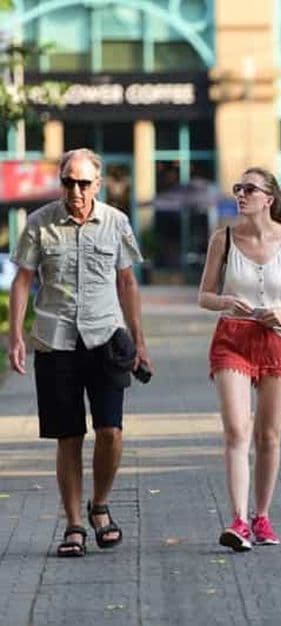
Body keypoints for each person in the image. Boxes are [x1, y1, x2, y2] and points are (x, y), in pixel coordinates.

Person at [8, 148, 152, 557]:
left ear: (98, 184)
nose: (75, 190)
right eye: (68, 181)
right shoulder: (39, 224)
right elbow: (23, 280)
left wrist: (140, 342)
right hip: (56, 342)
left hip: (106, 337)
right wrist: (16, 335)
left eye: (83, 183)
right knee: (68, 436)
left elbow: (128, 283)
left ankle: (100, 504)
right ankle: (74, 524)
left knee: (110, 432)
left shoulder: (116, 223)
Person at [198, 167, 281, 551]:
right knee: (237, 430)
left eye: (249, 189)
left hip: (278, 338)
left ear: (269, 198)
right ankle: (237, 521)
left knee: (268, 434)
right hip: (232, 336)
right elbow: (203, 295)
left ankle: (261, 516)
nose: (241, 194)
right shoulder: (224, 239)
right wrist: (224, 301)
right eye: (238, 188)